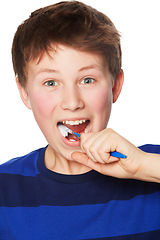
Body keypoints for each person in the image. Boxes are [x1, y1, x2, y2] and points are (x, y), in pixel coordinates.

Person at [0, 1, 160, 239]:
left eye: (87, 80)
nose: (72, 102)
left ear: (115, 86)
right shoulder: (5, 189)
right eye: (51, 83)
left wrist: (144, 166)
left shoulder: (150, 167)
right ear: (24, 92)